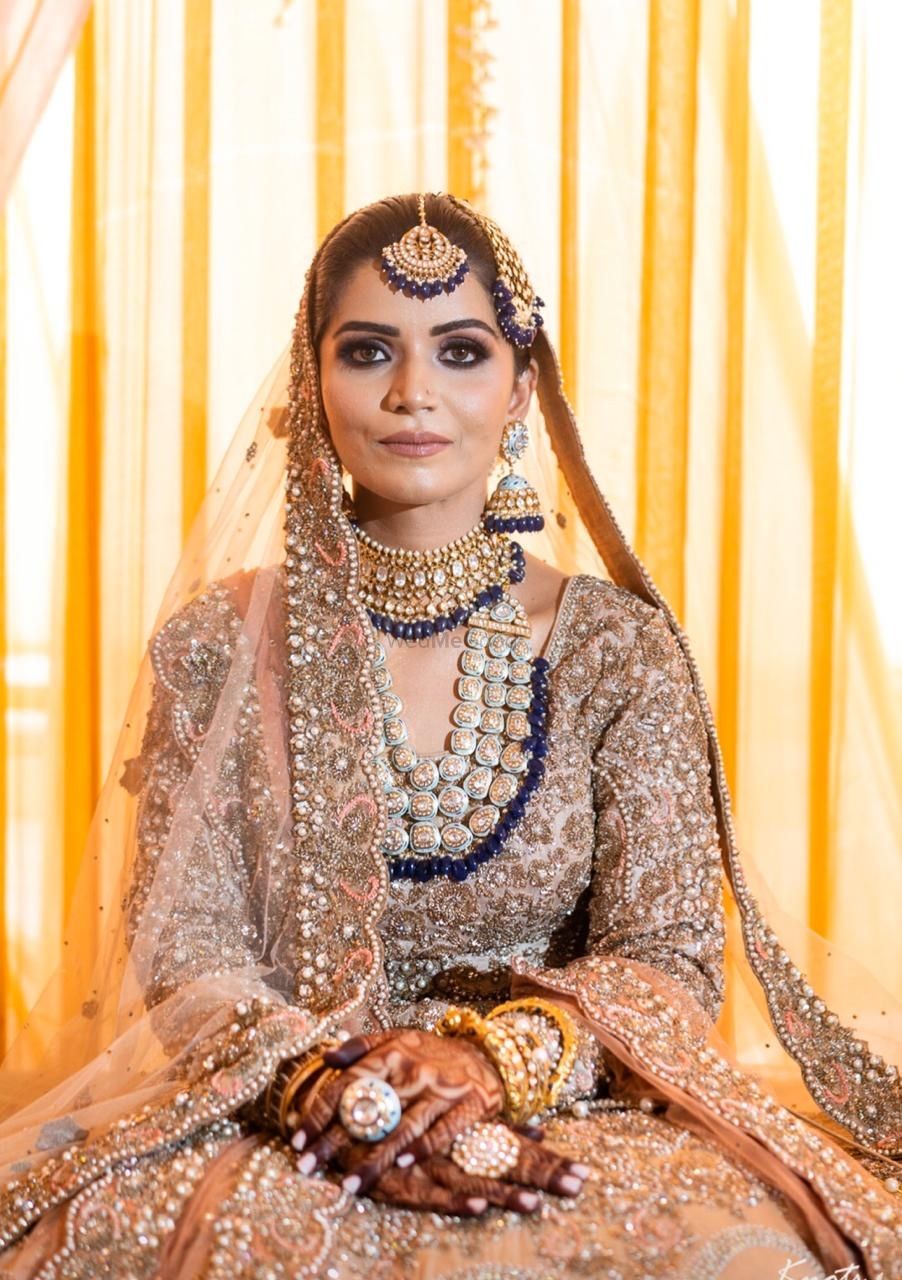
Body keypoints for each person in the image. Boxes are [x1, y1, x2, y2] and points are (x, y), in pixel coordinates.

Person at [0, 191, 899, 1278]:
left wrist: (485, 1060)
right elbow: (187, 947)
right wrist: (327, 1088)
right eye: (368, 349)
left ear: (521, 387)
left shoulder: (615, 651)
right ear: (311, 379)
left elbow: (664, 955)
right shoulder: (216, 646)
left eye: (461, 351)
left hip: (560, 1113)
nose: (412, 393)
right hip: (287, 1114)